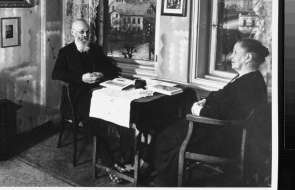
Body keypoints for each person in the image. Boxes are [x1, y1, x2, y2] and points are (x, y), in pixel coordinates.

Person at [140, 38, 269, 186]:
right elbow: (222, 95)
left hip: (223, 137)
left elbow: (222, 115)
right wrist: (206, 101)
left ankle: (163, 182)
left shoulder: (248, 84)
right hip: (220, 131)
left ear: (248, 57)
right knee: (166, 127)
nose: (230, 56)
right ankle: (153, 171)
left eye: (235, 52)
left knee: (166, 137)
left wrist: (199, 111)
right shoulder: (247, 78)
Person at [52, 19, 132, 184]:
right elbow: (57, 73)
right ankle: (110, 165)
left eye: (87, 32)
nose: (85, 35)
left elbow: (111, 70)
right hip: (79, 96)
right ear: (73, 32)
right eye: (81, 32)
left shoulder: (95, 49)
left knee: (126, 112)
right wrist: (81, 78)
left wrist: (102, 74)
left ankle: (127, 161)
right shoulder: (65, 52)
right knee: (93, 121)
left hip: (102, 92)